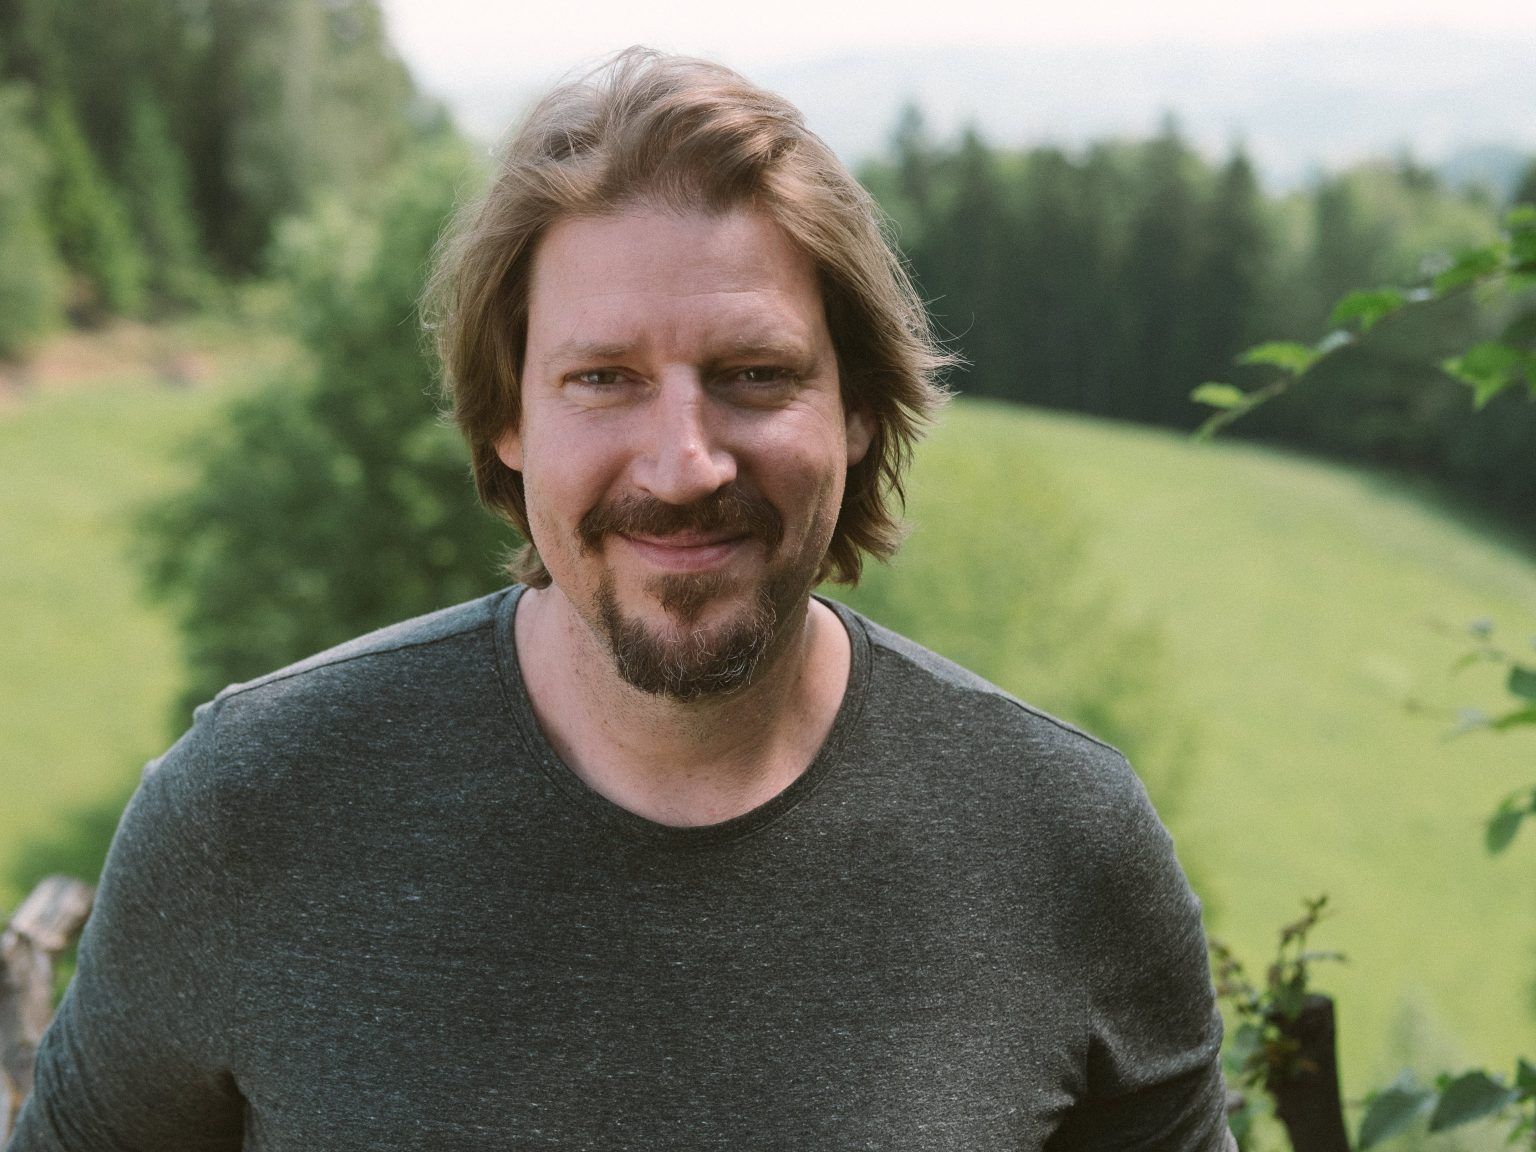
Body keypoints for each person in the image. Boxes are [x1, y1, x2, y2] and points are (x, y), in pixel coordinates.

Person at [12, 48, 1235, 1151]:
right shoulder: (249, 812)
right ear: (508, 420)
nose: (684, 465)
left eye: (754, 374)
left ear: (860, 410)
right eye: (603, 379)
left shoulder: (1065, 844)